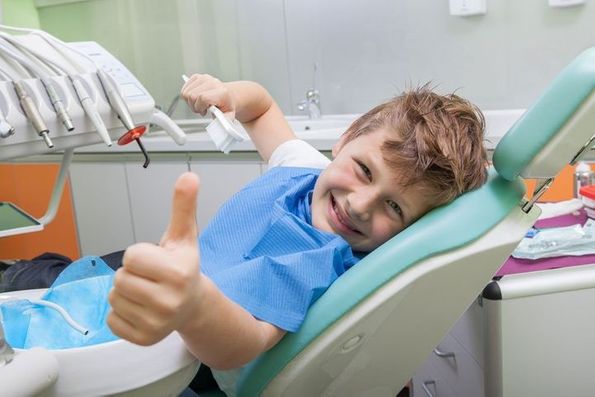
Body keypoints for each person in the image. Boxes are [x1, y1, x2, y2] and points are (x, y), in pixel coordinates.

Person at [1, 75, 488, 394]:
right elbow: (262, 109)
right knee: (40, 269)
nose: (359, 205)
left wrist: (194, 304)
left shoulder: (319, 264)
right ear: (344, 140)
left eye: (394, 208)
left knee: (24, 286)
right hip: (128, 282)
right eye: (363, 170)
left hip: (158, 349)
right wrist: (230, 96)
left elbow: (243, 343)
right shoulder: (306, 168)